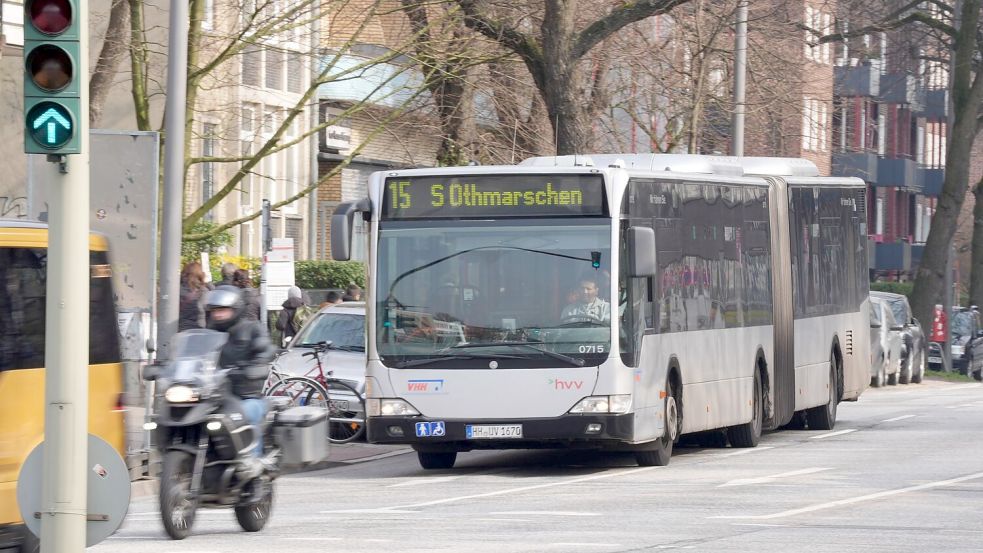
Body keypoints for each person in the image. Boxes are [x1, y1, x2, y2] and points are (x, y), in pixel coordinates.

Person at [203, 285, 275, 472]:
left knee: (246, 413)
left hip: (246, 394)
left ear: (236, 309)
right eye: (215, 311)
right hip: (216, 396)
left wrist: (257, 367)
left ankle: (252, 462)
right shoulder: (207, 334)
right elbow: (191, 356)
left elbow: (266, 351)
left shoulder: (253, 330)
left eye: (223, 310)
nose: (218, 315)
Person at [178, 262, 211, 331]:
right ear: (200, 274)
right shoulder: (203, 291)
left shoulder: (176, 290)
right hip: (198, 330)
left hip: (179, 329)